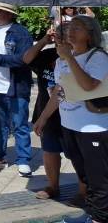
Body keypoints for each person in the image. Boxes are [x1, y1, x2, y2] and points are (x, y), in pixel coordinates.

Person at [35, 16, 108, 223]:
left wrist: (70, 58)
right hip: (70, 125)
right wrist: (43, 117)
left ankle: (100, 218)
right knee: (84, 175)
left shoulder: (98, 57)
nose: (71, 31)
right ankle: (92, 213)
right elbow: (59, 92)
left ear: (90, 34)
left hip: (93, 127)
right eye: (69, 27)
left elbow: (88, 86)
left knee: (99, 177)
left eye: (78, 28)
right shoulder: (61, 59)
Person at [25, 24, 86, 203]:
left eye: (66, 36)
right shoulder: (50, 56)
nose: (62, 40)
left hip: (74, 116)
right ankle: (53, 186)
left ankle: (84, 191)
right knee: (49, 151)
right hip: (48, 113)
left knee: (77, 154)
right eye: (59, 37)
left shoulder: (83, 58)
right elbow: (27, 59)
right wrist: (44, 40)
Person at [0, 1, 34, 177]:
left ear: (10, 14)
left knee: (20, 124)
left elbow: (23, 59)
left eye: (0, 11)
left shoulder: (21, 33)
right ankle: (0, 156)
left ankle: (24, 160)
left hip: (16, 86)